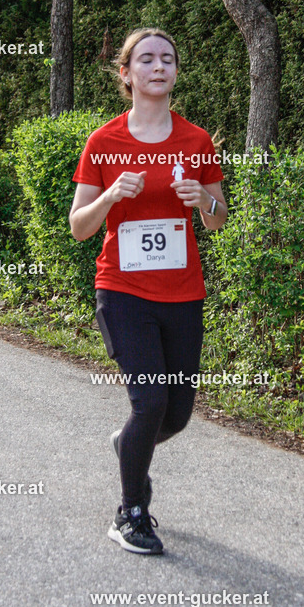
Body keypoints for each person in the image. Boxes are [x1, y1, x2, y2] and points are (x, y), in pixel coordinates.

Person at [69, 28, 227, 554]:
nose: (159, 67)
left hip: (183, 294)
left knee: (177, 413)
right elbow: (80, 226)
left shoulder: (196, 141)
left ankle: (128, 449)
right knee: (150, 401)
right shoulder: (105, 142)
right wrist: (112, 194)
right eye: (147, 60)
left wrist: (203, 200)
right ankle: (131, 512)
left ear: (176, 72)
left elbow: (220, 222)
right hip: (123, 291)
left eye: (168, 60)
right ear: (127, 73)